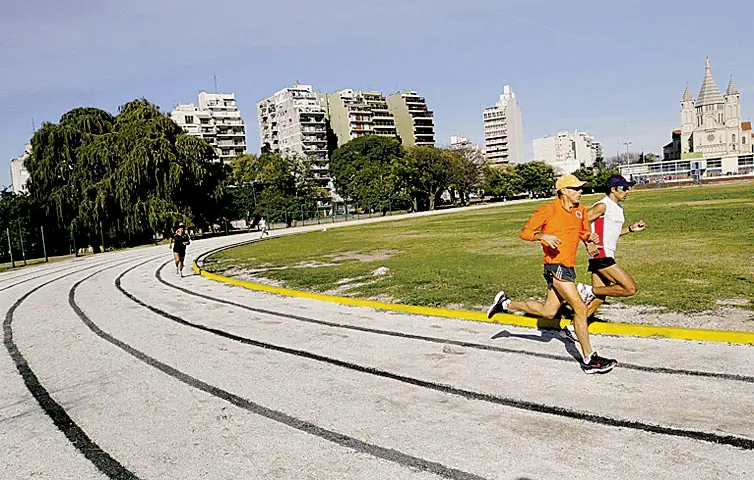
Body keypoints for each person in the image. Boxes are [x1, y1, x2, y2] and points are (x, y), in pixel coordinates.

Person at [486, 174, 617, 374]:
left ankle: (505, 304)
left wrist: (589, 240)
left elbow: (582, 232)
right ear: (563, 191)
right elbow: (525, 232)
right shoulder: (548, 210)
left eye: (580, 188)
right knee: (580, 308)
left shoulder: (581, 211)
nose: (580, 192)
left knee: (548, 312)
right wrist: (542, 236)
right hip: (555, 266)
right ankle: (589, 359)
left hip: (568, 266)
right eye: (576, 188)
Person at [577, 175, 647, 317]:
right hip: (601, 254)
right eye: (624, 188)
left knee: (599, 299)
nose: (627, 191)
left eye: (628, 188)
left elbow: (611, 232)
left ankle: (574, 326)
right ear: (613, 189)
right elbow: (578, 224)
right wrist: (588, 242)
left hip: (604, 254)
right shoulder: (603, 206)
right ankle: (587, 290)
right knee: (630, 288)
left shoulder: (618, 208)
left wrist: (630, 229)